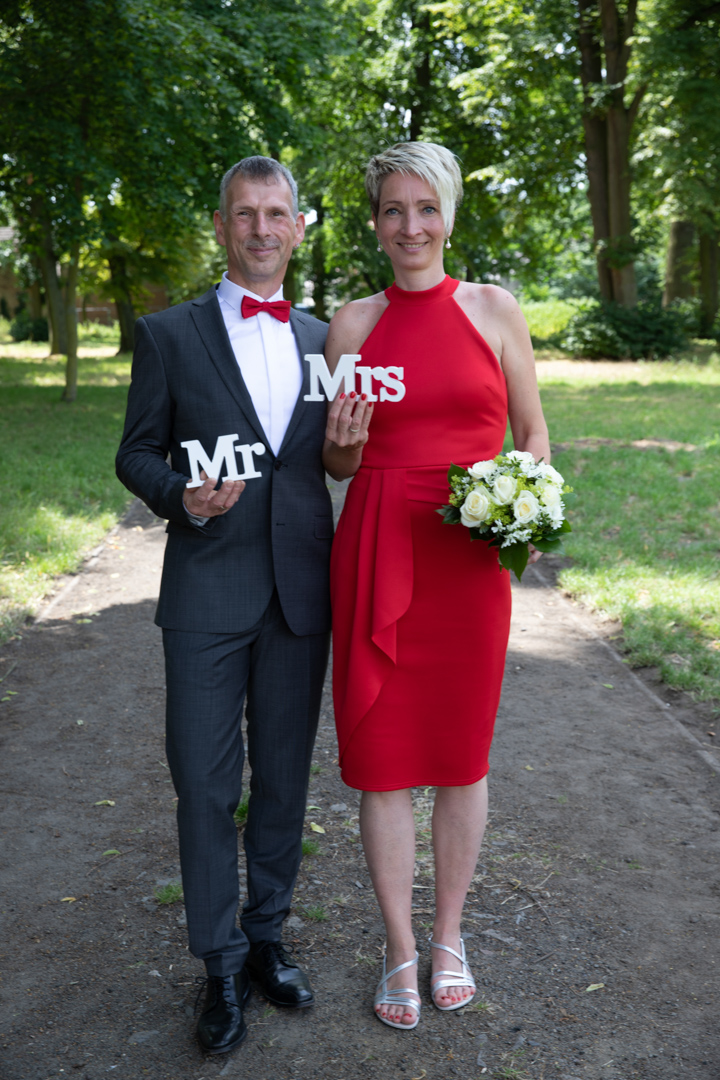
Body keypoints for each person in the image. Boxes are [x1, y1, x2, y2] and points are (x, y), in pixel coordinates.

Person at [323, 142, 551, 1029]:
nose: (409, 226)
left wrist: (518, 504)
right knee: (383, 760)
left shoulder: (495, 309)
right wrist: (343, 441)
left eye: (425, 208)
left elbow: (533, 433)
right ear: (376, 222)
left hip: (466, 556)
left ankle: (450, 936)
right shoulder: (351, 324)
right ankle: (399, 946)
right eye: (393, 209)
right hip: (378, 542)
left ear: (448, 215)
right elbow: (337, 464)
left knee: (460, 754)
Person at [116, 157, 333, 1054]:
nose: (261, 229)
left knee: (283, 780)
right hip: (205, 590)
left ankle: (268, 938)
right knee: (204, 787)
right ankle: (218, 962)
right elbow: (136, 452)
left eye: (276, 214)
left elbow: (338, 456)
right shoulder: (168, 333)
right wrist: (182, 497)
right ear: (221, 226)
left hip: (300, 591)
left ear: (298, 228)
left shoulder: (327, 339)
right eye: (245, 214)